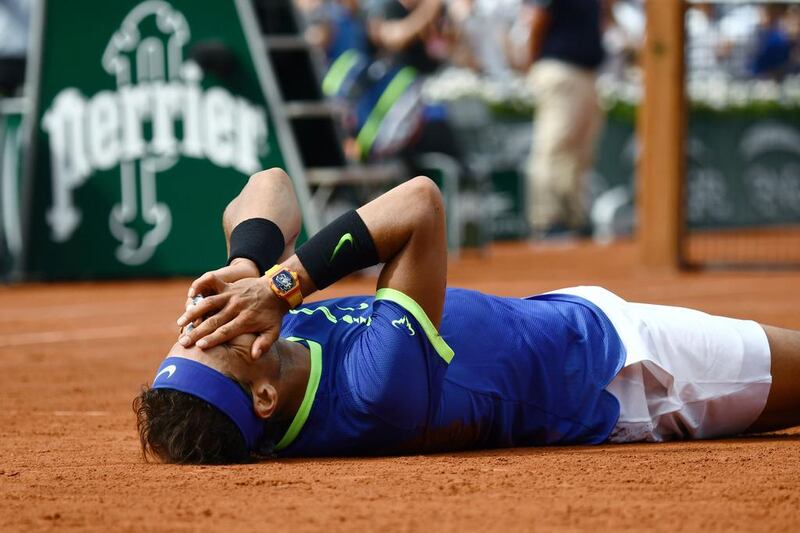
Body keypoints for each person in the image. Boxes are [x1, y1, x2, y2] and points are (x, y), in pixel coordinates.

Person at [134, 168, 800, 464]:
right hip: (626, 375)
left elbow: (269, 182)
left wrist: (248, 267)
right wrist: (283, 285)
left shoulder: (263, 332)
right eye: (209, 342)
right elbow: (420, 203)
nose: (201, 323)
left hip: (566, 319)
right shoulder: (373, 395)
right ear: (264, 393)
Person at [523, 0, 606, 238]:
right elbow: (538, 19)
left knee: (580, 151)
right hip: (559, 69)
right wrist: (532, 63)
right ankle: (546, 220)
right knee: (553, 147)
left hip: (587, 73)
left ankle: (572, 218)